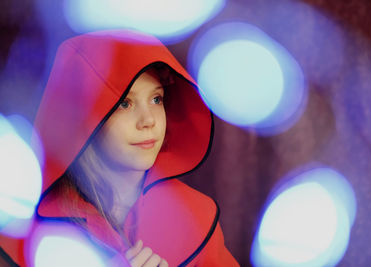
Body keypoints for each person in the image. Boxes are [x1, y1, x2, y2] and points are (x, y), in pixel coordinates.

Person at [0, 30, 239, 266]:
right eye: (125, 103)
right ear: (85, 117)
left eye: (157, 99)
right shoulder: (26, 227)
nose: (148, 120)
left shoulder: (194, 215)